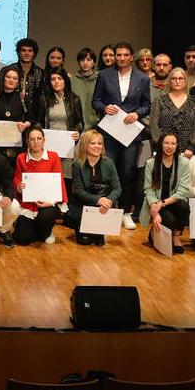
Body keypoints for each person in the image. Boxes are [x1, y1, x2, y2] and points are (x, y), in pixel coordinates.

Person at [91, 41, 150, 230]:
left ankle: (125, 211)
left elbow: (147, 105)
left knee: (127, 171)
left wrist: (137, 114)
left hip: (130, 134)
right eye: (118, 55)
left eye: (125, 55)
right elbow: (96, 101)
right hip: (109, 132)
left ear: (131, 57)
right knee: (107, 170)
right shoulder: (104, 75)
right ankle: (106, 210)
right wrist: (103, 107)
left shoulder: (142, 79)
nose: (122, 58)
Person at [67, 130, 120, 246]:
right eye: (93, 143)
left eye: (99, 143)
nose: (97, 146)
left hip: (103, 207)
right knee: (85, 241)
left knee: (99, 243)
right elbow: (78, 191)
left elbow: (117, 189)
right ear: (85, 145)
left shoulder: (109, 163)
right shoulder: (77, 164)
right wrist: (98, 200)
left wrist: (109, 200)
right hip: (84, 205)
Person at [140, 132, 191, 253]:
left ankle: (176, 236)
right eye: (166, 143)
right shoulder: (151, 163)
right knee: (169, 220)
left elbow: (183, 191)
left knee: (184, 206)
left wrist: (162, 203)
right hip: (156, 202)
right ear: (161, 144)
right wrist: (154, 211)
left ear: (177, 145)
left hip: (172, 201)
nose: (170, 146)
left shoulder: (184, 163)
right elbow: (149, 189)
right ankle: (153, 233)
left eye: (173, 143)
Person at [13, 129, 65, 245]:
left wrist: (51, 202)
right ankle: (41, 231)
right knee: (21, 239)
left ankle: (47, 230)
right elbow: (16, 178)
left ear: (44, 140)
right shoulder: (21, 158)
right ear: (28, 142)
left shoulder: (53, 156)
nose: (36, 142)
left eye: (39, 139)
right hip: (28, 204)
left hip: (48, 202)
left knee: (45, 217)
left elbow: (59, 182)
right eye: (32, 139)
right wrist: (19, 187)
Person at [148, 68, 195, 160]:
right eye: (174, 79)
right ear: (170, 81)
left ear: (185, 81)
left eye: (181, 78)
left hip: (187, 151)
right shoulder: (159, 100)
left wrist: (191, 148)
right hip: (163, 150)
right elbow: (153, 124)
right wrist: (162, 145)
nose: (177, 81)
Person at [38, 69, 83, 179]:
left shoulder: (74, 99)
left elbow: (80, 122)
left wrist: (78, 132)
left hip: (67, 144)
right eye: (53, 79)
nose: (56, 82)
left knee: (65, 178)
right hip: (48, 143)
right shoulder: (44, 99)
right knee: (48, 178)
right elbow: (38, 122)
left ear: (65, 81)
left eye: (59, 78)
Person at [0, 67, 30, 161]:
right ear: (3, 78)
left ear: (18, 81)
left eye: (15, 78)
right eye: (8, 77)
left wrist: (25, 125)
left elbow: (31, 118)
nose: (11, 80)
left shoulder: (22, 98)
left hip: (17, 147)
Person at [7, 38, 45, 111]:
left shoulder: (41, 74)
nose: (26, 53)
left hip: (34, 114)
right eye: (23, 50)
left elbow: (42, 98)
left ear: (34, 53)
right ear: (18, 52)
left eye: (30, 51)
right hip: (12, 111)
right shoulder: (9, 70)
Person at [70, 48, 99, 130]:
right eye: (82, 60)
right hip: (77, 126)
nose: (85, 63)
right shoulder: (72, 81)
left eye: (89, 60)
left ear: (93, 63)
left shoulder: (100, 80)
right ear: (79, 62)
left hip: (96, 125)